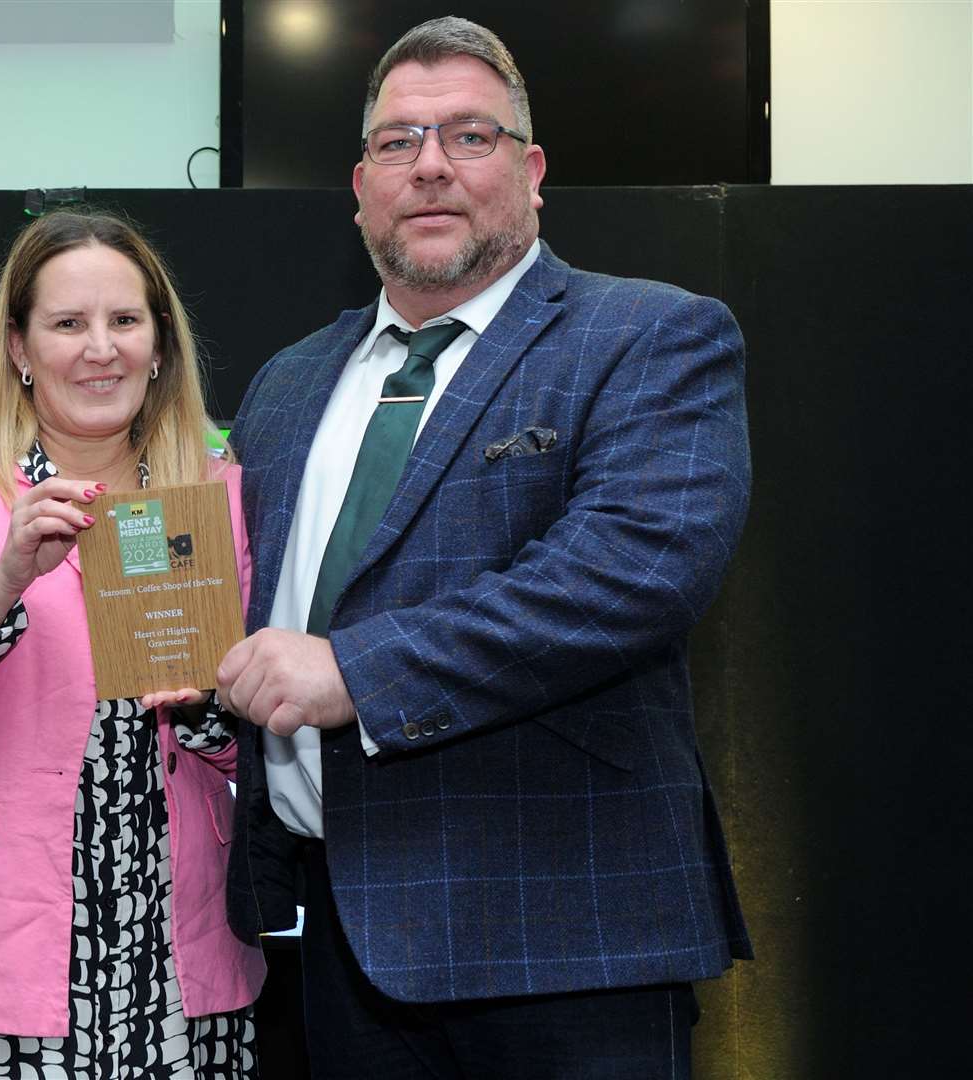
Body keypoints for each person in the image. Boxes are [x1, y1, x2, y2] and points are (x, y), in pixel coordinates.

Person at [216, 17, 753, 1079]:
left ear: (531, 168)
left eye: (467, 136)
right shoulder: (284, 384)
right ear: (359, 182)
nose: (427, 166)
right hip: (334, 941)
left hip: (563, 941)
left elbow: (631, 572)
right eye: (395, 142)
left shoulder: (648, 334)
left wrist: (354, 672)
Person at [0, 210, 266, 1078]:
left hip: (173, 958)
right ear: (21, 350)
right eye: (68, 324)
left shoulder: (217, 492)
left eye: (125, 321)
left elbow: (260, 752)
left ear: (160, 343)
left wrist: (209, 712)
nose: (100, 349)